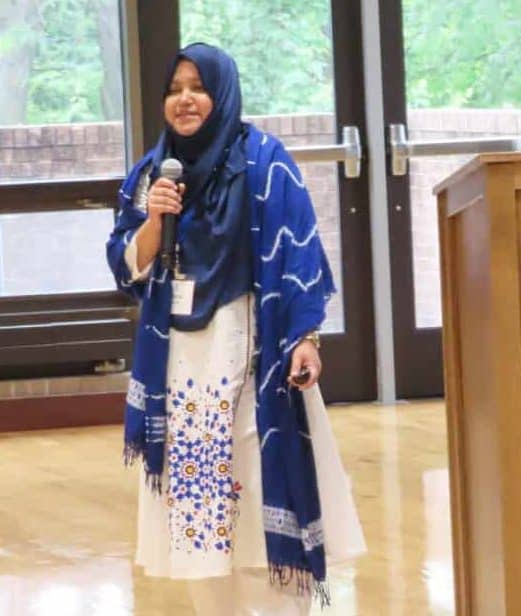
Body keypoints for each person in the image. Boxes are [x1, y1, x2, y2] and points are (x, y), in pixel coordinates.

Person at [106, 42, 365, 616]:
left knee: (262, 508)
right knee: (199, 530)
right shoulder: (153, 175)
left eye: (197, 87)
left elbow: (299, 257)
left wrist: (305, 338)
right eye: (174, 90)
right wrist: (155, 220)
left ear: (221, 93)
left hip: (256, 361)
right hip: (181, 373)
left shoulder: (264, 161)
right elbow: (127, 265)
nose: (185, 99)